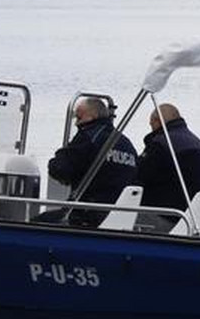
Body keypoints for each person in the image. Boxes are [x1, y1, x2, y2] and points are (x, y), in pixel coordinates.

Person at [42, 97, 138, 227]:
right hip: (121, 216)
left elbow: (59, 168)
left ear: (93, 116)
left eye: (79, 118)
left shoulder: (89, 136)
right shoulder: (126, 143)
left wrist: (61, 155)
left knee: (35, 224)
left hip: (88, 214)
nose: (76, 124)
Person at [137, 103, 200, 231]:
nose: (151, 129)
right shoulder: (198, 144)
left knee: (110, 217)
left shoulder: (161, 143)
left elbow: (138, 176)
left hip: (162, 216)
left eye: (151, 124)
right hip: (191, 218)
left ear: (158, 121)